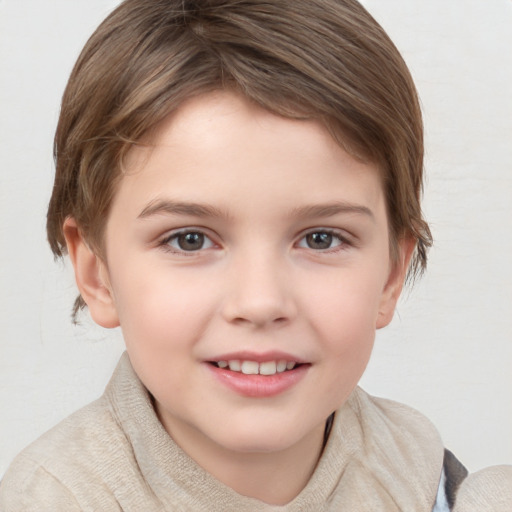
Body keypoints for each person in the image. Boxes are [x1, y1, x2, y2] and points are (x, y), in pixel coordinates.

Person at [1, 0, 510, 510]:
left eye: (320, 239)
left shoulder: (427, 481)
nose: (261, 302)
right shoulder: (55, 496)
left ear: (390, 276)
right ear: (97, 274)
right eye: (189, 239)